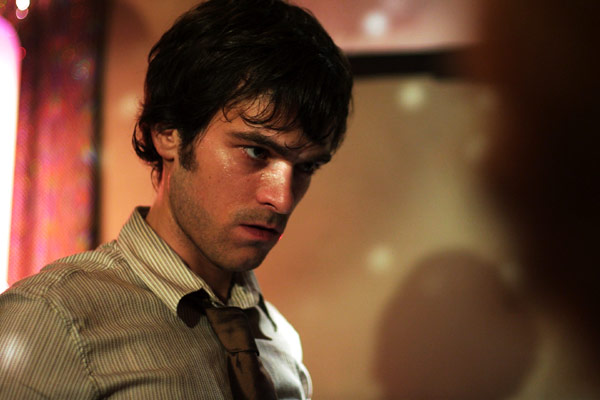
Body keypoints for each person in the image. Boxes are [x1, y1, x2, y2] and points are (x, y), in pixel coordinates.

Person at [0, 0, 353, 398]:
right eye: (256, 151)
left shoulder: (279, 344)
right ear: (168, 132)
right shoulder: (52, 321)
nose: (282, 199)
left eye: (306, 167)